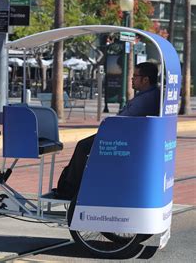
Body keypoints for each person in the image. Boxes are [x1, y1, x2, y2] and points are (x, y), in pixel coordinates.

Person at [57, 62, 160, 199]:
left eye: (135, 76)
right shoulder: (152, 94)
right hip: (129, 136)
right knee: (84, 145)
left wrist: (106, 125)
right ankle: (71, 186)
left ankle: (69, 190)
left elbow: (119, 121)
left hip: (122, 140)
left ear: (145, 79)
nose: (132, 79)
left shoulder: (144, 100)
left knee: (83, 146)